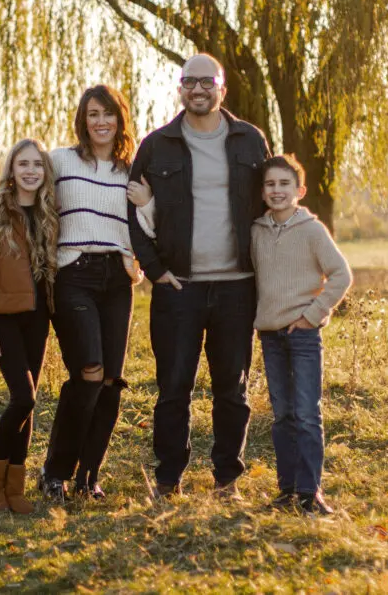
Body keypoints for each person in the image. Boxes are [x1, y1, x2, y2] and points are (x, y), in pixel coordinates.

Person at [127, 53, 270, 500]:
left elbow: (270, 202)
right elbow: (133, 213)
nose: (198, 89)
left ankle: (227, 480)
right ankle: (168, 480)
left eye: (207, 81)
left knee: (233, 389)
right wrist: (155, 271)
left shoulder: (250, 140)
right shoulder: (157, 145)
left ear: (222, 88)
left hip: (237, 287)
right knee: (173, 388)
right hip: (178, 289)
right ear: (180, 88)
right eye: (189, 81)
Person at [39, 85, 139, 502]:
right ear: (83, 120)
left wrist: (148, 202)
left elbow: (148, 223)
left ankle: (88, 477)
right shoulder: (61, 161)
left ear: (120, 120)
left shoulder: (131, 170)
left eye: (108, 114)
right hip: (73, 274)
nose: (100, 121)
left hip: (117, 277)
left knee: (111, 381)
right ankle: (54, 472)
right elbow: (26, 194)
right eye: (93, 114)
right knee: (89, 373)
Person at [251, 154, 352, 515]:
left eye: (284, 184)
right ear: (262, 191)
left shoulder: (311, 230)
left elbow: (341, 275)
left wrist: (313, 315)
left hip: (303, 335)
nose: (277, 190)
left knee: (307, 413)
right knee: (283, 416)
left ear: (300, 190)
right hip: (271, 336)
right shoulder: (256, 231)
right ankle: (287, 490)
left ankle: (311, 493)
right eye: (270, 184)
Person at [0, 138, 59, 514]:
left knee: (29, 405)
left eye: (37, 165)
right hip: (4, 320)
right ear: (11, 170)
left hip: (38, 321)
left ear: (45, 171)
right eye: (23, 164)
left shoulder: (50, 214)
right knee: (24, 397)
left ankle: (15, 487)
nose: (30, 171)